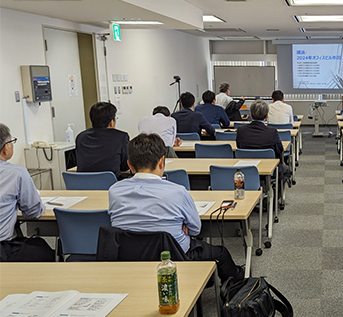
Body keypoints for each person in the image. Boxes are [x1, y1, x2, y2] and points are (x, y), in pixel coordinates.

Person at [108, 133, 242, 279]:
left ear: (129, 165)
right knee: (221, 253)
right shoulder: (177, 192)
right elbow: (195, 229)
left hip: (128, 259)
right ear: (161, 162)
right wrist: (182, 225)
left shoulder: (114, 191)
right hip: (175, 257)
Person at [0, 124, 54, 261]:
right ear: (6, 147)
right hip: (3, 250)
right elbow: (32, 212)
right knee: (46, 252)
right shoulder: (17, 173)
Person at [236, 99, 289, 182]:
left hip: (245, 167)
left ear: (250, 115)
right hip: (269, 167)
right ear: (267, 116)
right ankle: (277, 193)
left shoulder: (241, 130)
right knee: (286, 170)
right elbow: (279, 150)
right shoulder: (272, 132)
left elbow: (239, 146)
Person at [75, 102, 130, 178]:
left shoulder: (81, 137)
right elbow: (125, 166)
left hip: (83, 185)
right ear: (111, 122)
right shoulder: (121, 137)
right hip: (111, 185)